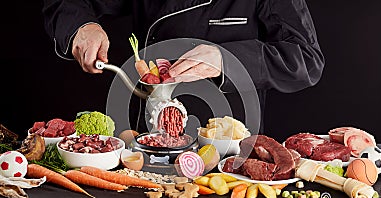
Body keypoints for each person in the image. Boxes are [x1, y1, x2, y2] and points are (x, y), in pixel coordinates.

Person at [43, 0, 325, 133]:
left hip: (230, 150)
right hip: (149, 139)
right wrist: (82, 26)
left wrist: (225, 59)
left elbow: (306, 59)